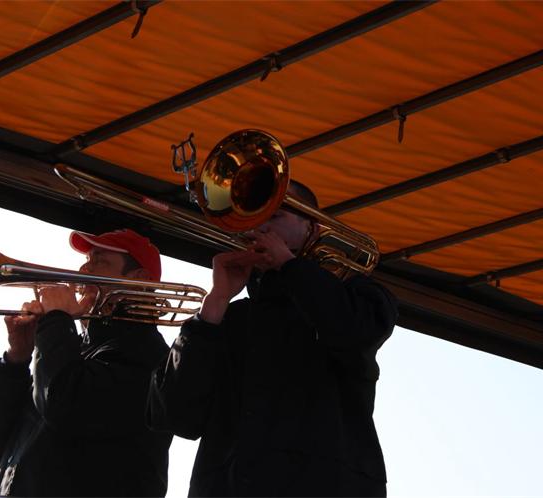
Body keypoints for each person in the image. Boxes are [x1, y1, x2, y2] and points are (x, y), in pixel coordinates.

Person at [147, 181, 398, 497]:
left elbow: (352, 332)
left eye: (276, 216)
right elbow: (174, 416)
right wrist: (215, 303)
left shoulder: (358, 294)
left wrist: (291, 267)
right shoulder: (228, 317)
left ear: (312, 229)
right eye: (253, 219)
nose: (261, 227)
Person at [0, 229, 172, 497]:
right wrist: (15, 360)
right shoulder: (69, 350)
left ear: (140, 280)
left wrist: (56, 322)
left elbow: (64, 405)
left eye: (99, 261)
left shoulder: (149, 356)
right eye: (86, 260)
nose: (83, 270)